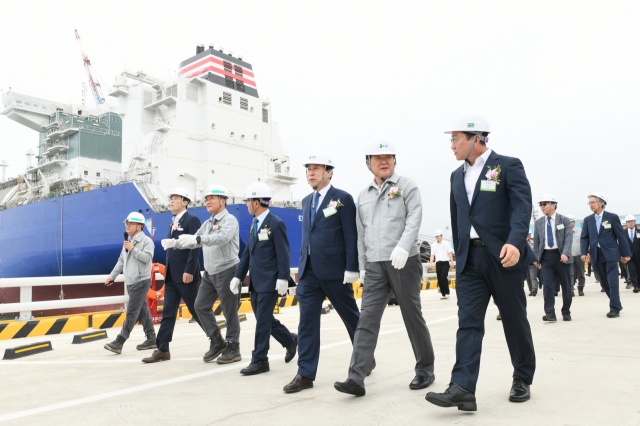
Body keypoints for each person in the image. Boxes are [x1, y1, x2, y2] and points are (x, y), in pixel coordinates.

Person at [426, 112, 536, 411]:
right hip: (470, 260)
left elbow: (521, 207)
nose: (451, 146)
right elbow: (458, 216)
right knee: (469, 323)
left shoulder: (508, 165)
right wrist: (459, 252)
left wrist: (515, 242)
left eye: (455, 139)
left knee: (513, 319)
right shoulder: (455, 176)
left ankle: (522, 376)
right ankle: (462, 387)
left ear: (476, 138)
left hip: (503, 257)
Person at [334, 136, 435, 397]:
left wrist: (404, 246)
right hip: (376, 266)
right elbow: (360, 234)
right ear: (368, 163)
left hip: (404, 261)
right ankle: (356, 376)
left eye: (388, 158)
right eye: (378, 159)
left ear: (394, 161)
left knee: (411, 315)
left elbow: (415, 218)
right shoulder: (363, 196)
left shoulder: (407, 186)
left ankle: (425, 368)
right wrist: (361, 266)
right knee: (366, 319)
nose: (384, 162)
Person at [283, 151, 363, 393]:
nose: (311, 173)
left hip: (335, 271)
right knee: (306, 323)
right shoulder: (307, 201)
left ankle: (364, 356)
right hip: (308, 273)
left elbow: (351, 235)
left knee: (351, 317)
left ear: (329, 172)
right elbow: (308, 236)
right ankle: (305, 373)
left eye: (316, 168)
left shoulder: (343, 199)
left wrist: (352, 268)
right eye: (308, 169)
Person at [160, 184, 243, 364]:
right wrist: (175, 243)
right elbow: (193, 241)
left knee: (230, 311)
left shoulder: (230, 221)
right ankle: (216, 340)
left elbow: (221, 238)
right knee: (200, 306)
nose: (208, 201)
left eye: (212, 198)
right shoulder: (207, 224)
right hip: (210, 273)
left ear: (223, 200)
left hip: (227, 270)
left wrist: (198, 239)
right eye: (206, 199)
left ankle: (234, 347)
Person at [231, 182, 297, 375]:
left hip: (270, 282)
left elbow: (283, 253)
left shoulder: (276, 223)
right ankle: (290, 340)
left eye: (248, 201)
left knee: (262, 322)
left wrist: (283, 278)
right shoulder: (254, 224)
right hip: (255, 282)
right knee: (264, 319)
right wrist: (238, 276)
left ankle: (260, 360)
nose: (246, 205)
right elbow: (247, 254)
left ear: (257, 202)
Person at [141, 188, 202, 363]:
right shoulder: (173, 221)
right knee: (168, 312)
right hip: (171, 276)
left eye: (175, 198)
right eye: (171, 198)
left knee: (197, 310)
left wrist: (190, 270)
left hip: (185, 275)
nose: (171, 201)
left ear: (185, 201)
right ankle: (162, 349)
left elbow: (195, 246)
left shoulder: (192, 220)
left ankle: (217, 339)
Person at [104, 212, 157, 354]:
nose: (127, 225)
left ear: (140, 226)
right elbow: (121, 261)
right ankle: (152, 338)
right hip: (131, 282)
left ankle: (119, 341)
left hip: (141, 281)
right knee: (143, 310)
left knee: (132, 311)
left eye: (130, 223)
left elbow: (147, 258)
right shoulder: (128, 243)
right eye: (126, 223)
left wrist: (133, 249)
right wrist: (112, 276)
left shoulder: (147, 242)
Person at [580, 192, 631, 318]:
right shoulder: (587, 220)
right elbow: (584, 238)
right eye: (589, 203)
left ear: (601, 203)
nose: (590, 205)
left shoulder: (612, 217)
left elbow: (621, 237)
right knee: (603, 282)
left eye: (593, 202)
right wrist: (583, 252)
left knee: (613, 281)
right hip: (596, 255)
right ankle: (617, 303)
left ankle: (614, 308)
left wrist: (626, 254)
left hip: (611, 254)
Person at [532, 194, 573, 322]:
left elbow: (568, 238)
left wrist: (565, 253)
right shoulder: (538, 223)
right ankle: (550, 312)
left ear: (553, 205)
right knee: (547, 285)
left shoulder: (564, 220)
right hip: (546, 257)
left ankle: (566, 311)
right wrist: (536, 258)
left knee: (566, 285)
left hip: (561, 256)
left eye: (544, 204)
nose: (542, 207)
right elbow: (537, 242)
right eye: (540, 205)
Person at [430, 230, 454, 299]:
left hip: (445, 263)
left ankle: (447, 292)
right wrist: (431, 263)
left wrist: (452, 262)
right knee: (439, 278)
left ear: (441, 236)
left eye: (438, 236)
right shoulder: (433, 245)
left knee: (443, 277)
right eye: (436, 236)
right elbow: (432, 255)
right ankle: (443, 293)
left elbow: (449, 253)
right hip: (438, 263)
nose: (437, 237)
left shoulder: (446, 243)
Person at [568, 215, 586, 296]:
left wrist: (585, 253)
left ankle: (581, 287)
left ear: (574, 222)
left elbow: (584, 243)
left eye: (571, 222)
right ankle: (571, 289)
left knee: (581, 273)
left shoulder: (580, 231)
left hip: (579, 255)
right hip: (569, 256)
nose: (570, 223)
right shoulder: (565, 232)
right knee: (570, 273)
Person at [623, 215, 640, 293]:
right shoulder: (623, 233)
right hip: (628, 255)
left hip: (638, 254)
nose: (630, 223)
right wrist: (622, 255)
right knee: (632, 270)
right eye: (629, 222)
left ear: (634, 222)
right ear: (626, 223)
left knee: (638, 270)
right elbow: (621, 244)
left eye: (632, 221)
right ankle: (635, 286)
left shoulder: (639, 231)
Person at [525, 232, 540, 296]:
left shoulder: (534, 242)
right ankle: (531, 289)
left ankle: (534, 290)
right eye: (527, 234)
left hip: (533, 262)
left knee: (533, 276)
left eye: (529, 234)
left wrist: (537, 260)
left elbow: (537, 251)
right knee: (528, 277)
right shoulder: (523, 243)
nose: (528, 235)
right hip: (526, 263)